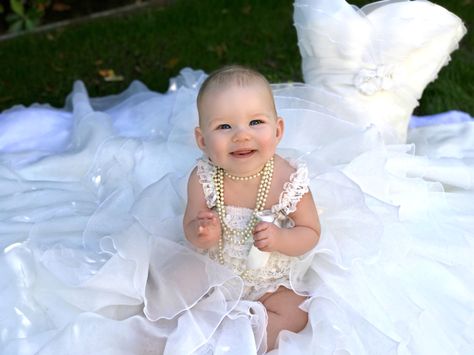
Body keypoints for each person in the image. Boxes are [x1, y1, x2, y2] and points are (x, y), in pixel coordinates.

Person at [183, 65, 321, 351]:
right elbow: (189, 227)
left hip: (272, 281)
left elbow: (310, 231)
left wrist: (281, 239)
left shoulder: (287, 179)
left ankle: (247, 344)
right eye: (224, 126)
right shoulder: (203, 178)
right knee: (181, 300)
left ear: (278, 129)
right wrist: (202, 232)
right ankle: (213, 336)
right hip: (217, 276)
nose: (241, 136)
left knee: (297, 311)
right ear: (202, 140)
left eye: (256, 122)